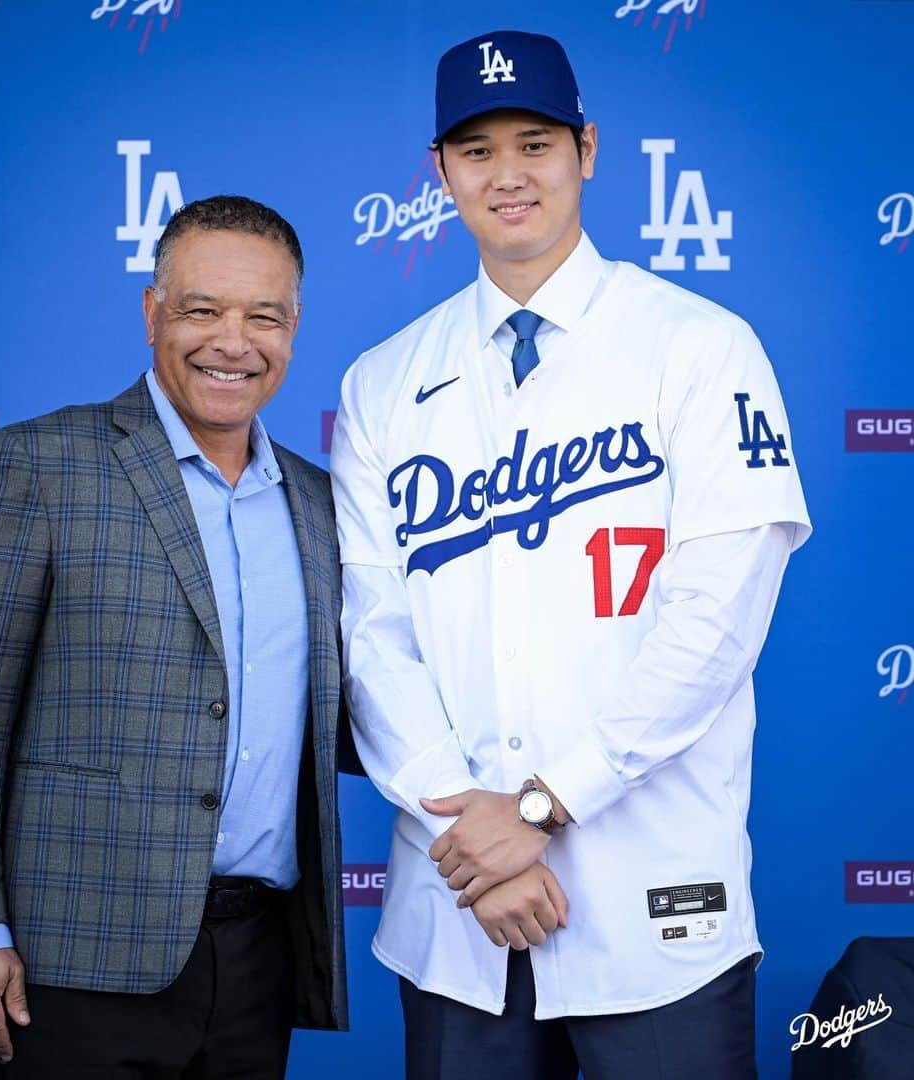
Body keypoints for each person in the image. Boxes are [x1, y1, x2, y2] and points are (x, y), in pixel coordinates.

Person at [330, 29, 810, 1080]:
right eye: (478, 149)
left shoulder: (700, 344)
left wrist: (544, 808)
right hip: (462, 908)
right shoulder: (382, 382)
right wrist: (483, 842)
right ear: (441, 173)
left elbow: (715, 620)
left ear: (587, 150)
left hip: (654, 905)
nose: (508, 174)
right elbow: (371, 637)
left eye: (535, 142)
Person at [0, 195, 351, 1079]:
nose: (234, 342)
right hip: (69, 959)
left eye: (263, 316)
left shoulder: (322, 501)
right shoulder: (40, 466)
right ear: (153, 314)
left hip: (260, 955)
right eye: (202, 310)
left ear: (294, 328)